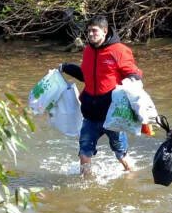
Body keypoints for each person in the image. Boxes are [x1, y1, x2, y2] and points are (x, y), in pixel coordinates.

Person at [60, 15, 143, 175]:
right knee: (84, 152)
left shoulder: (119, 50)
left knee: (121, 154)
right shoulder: (88, 51)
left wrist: (133, 79)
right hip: (91, 114)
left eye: (94, 31)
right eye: (89, 31)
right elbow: (86, 76)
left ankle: (131, 177)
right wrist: (67, 67)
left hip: (113, 115)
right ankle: (86, 185)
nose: (91, 34)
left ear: (105, 31)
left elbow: (133, 73)